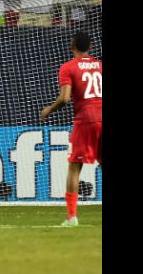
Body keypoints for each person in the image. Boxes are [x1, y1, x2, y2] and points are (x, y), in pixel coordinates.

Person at [40, 32, 102, 227]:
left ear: (72, 45)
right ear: (90, 47)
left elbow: (65, 98)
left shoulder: (68, 67)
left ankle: (72, 217)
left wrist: (49, 109)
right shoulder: (100, 66)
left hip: (85, 120)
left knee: (75, 167)